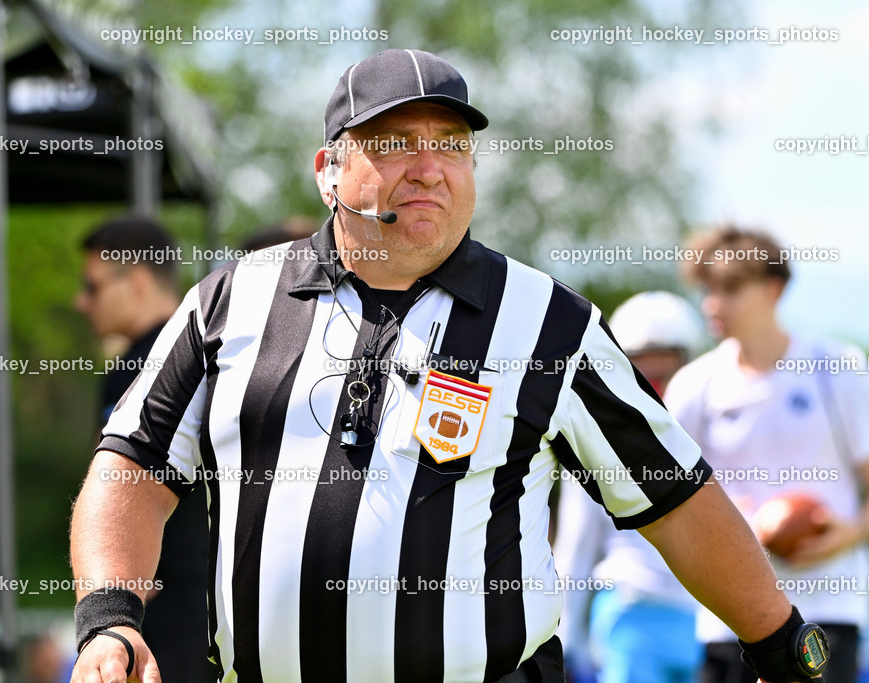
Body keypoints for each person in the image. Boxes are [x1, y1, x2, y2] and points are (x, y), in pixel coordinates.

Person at [69, 49, 831, 683]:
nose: (430, 167)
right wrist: (108, 619)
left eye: (451, 144)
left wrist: (783, 644)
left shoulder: (549, 323)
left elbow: (674, 495)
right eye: (396, 143)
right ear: (327, 171)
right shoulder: (229, 302)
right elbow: (131, 462)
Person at [664, 226, 869, 683]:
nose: (713, 304)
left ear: (774, 289)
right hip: (730, 618)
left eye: (731, 288)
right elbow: (669, 501)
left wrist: (848, 534)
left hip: (826, 613)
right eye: (708, 289)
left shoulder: (836, 367)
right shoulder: (695, 385)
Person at [75, 216, 215, 682]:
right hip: (213, 601)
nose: (81, 302)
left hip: (162, 609)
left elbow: (119, 480)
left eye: (91, 286)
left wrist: (116, 589)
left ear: (135, 280)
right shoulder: (211, 345)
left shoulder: (144, 361)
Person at [554, 291, 706, 683]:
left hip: (707, 621)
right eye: (641, 372)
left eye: (665, 371)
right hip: (630, 611)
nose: (654, 386)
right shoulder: (593, 440)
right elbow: (576, 546)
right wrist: (565, 642)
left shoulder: (709, 430)